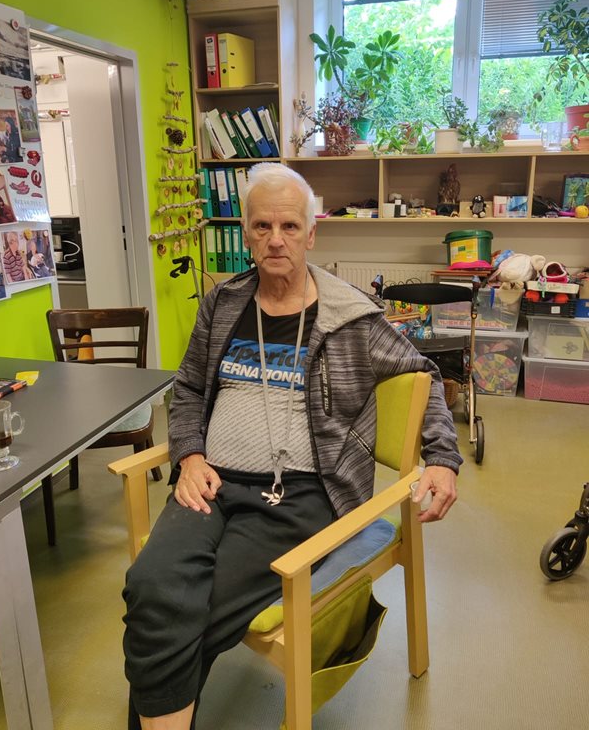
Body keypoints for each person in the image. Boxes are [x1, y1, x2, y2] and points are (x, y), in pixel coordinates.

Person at [122, 163, 462, 730]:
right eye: (262, 226)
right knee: (150, 584)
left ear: (311, 234)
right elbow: (189, 389)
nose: (275, 239)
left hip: (302, 494)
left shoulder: (351, 317)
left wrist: (443, 459)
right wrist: (189, 454)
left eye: (288, 226)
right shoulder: (224, 303)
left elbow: (422, 375)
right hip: (210, 481)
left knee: (188, 607)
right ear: (246, 233)